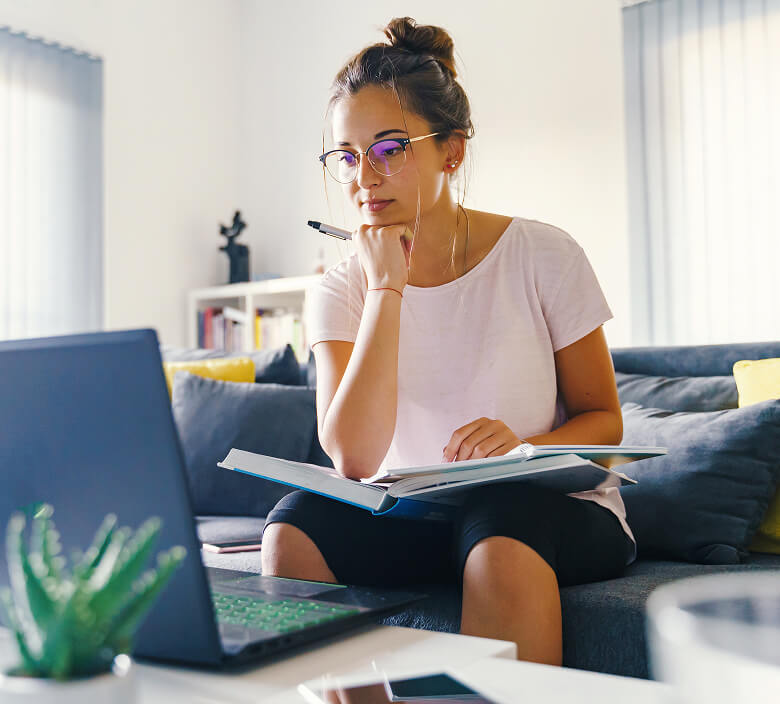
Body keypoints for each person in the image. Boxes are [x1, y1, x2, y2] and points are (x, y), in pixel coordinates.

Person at [261, 17, 635, 666]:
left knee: (499, 518)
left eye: (389, 148)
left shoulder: (544, 253)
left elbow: (604, 429)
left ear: (451, 152)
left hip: (548, 512)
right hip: (418, 519)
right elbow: (352, 457)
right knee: (292, 527)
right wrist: (385, 289)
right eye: (346, 156)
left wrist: (524, 447)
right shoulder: (340, 287)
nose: (363, 177)